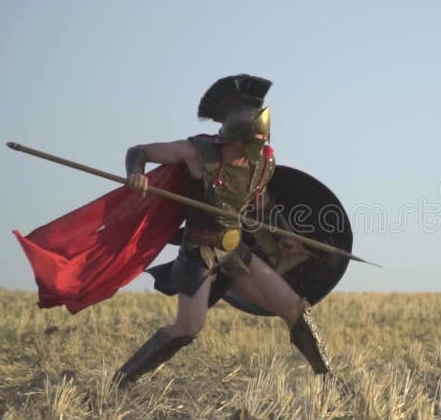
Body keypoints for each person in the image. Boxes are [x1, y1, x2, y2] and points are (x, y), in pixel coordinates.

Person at [115, 74, 334, 384]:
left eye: (258, 144)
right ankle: (121, 381)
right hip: (199, 251)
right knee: (188, 328)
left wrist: (283, 236)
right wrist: (136, 172)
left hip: (233, 251)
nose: (253, 150)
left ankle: (328, 378)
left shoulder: (262, 164)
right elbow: (139, 151)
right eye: (247, 143)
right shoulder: (197, 152)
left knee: (295, 307)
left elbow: (260, 206)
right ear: (235, 137)